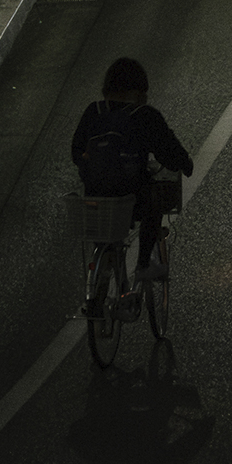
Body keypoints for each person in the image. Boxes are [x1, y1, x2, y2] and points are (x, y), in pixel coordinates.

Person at [71, 56, 195, 302]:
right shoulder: (144, 115)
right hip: (132, 199)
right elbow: (171, 153)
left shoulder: (93, 112)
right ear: (140, 90)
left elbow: (76, 152)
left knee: (104, 226)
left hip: (96, 198)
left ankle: (100, 278)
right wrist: (185, 165)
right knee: (155, 199)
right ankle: (143, 265)